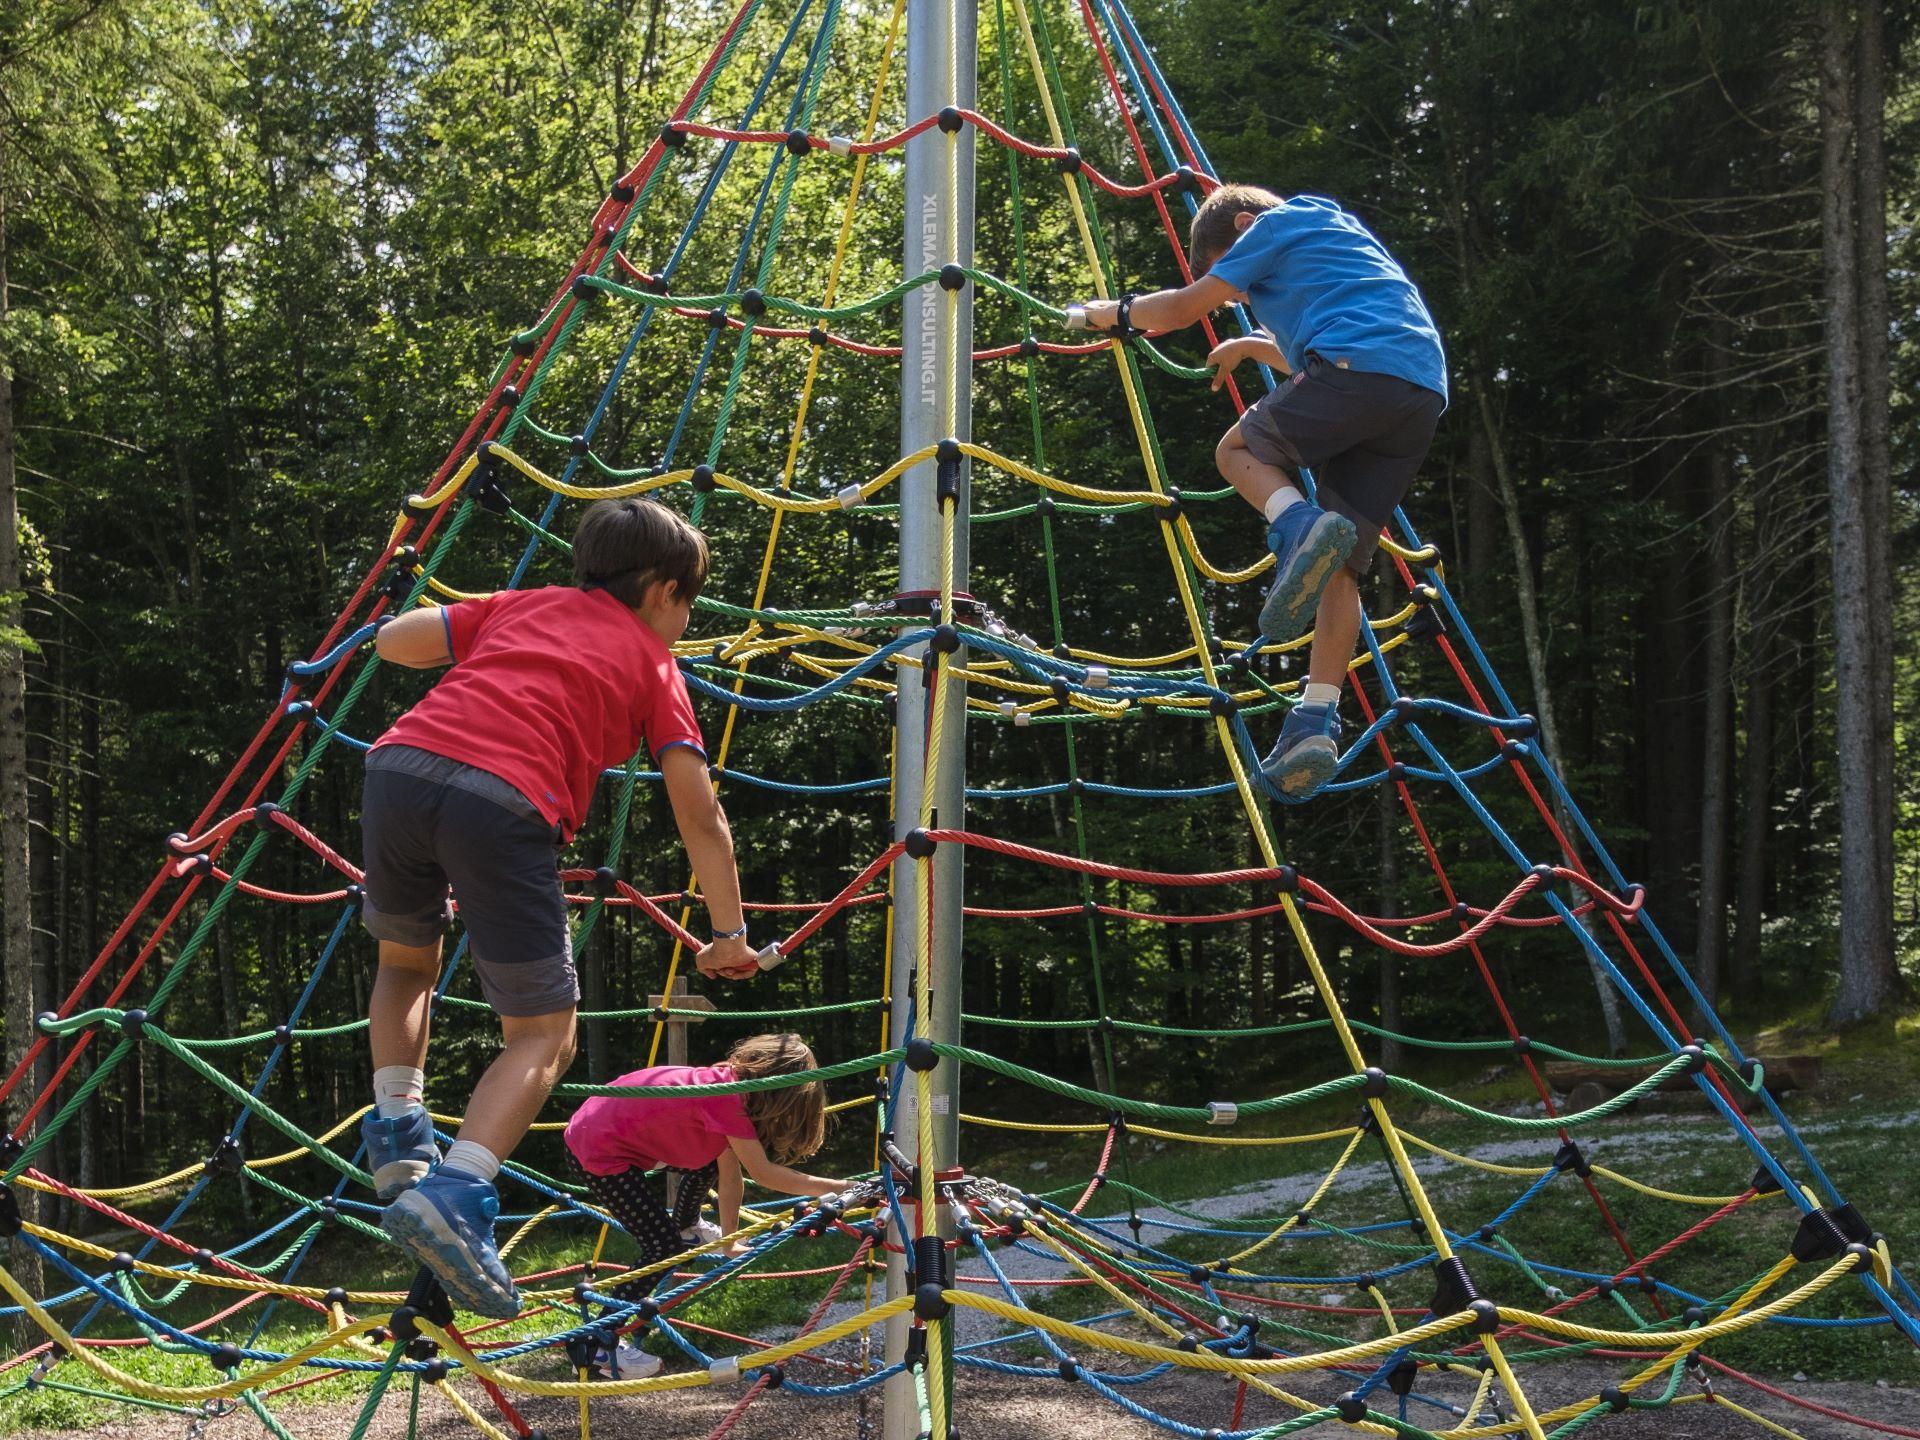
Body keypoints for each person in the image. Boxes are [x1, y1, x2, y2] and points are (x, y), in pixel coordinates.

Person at [357, 497, 761, 1318]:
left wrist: (479, 622)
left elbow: (394, 643)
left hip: (396, 770)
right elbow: (699, 813)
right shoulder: (654, 661)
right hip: (503, 804)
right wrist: (729, 934)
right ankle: (459, 1192)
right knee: (545, 1032)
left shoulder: (525, 606)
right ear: (666, 592)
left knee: (405, 962)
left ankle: (397, 1126)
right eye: (690, 602)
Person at [1069, 183, 1447, 798]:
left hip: (1356, 368)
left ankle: (1296, 527)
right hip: (1417, 394)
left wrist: (1109, 314)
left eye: (1231, 275)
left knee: (1237, 450)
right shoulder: (1331, 236)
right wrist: (1251, 345)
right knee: (1341, 569)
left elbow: (1181, 310)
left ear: (1245, 225)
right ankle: (1313, 722)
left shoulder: (1273, 226)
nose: (1237, 294)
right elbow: (1330, 347)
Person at [562, 1032, 842, 1378]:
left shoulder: (725, 1088)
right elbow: (764, 1173)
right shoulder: (725, 1100)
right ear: (779, 1092)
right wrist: (842, 1187)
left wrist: (730, 1241)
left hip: (603, 1130)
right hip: (598, 1150)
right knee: (662, 1247)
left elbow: (731, 1176)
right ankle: (598, 1342)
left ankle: (687, 1226)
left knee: (701, 1178)